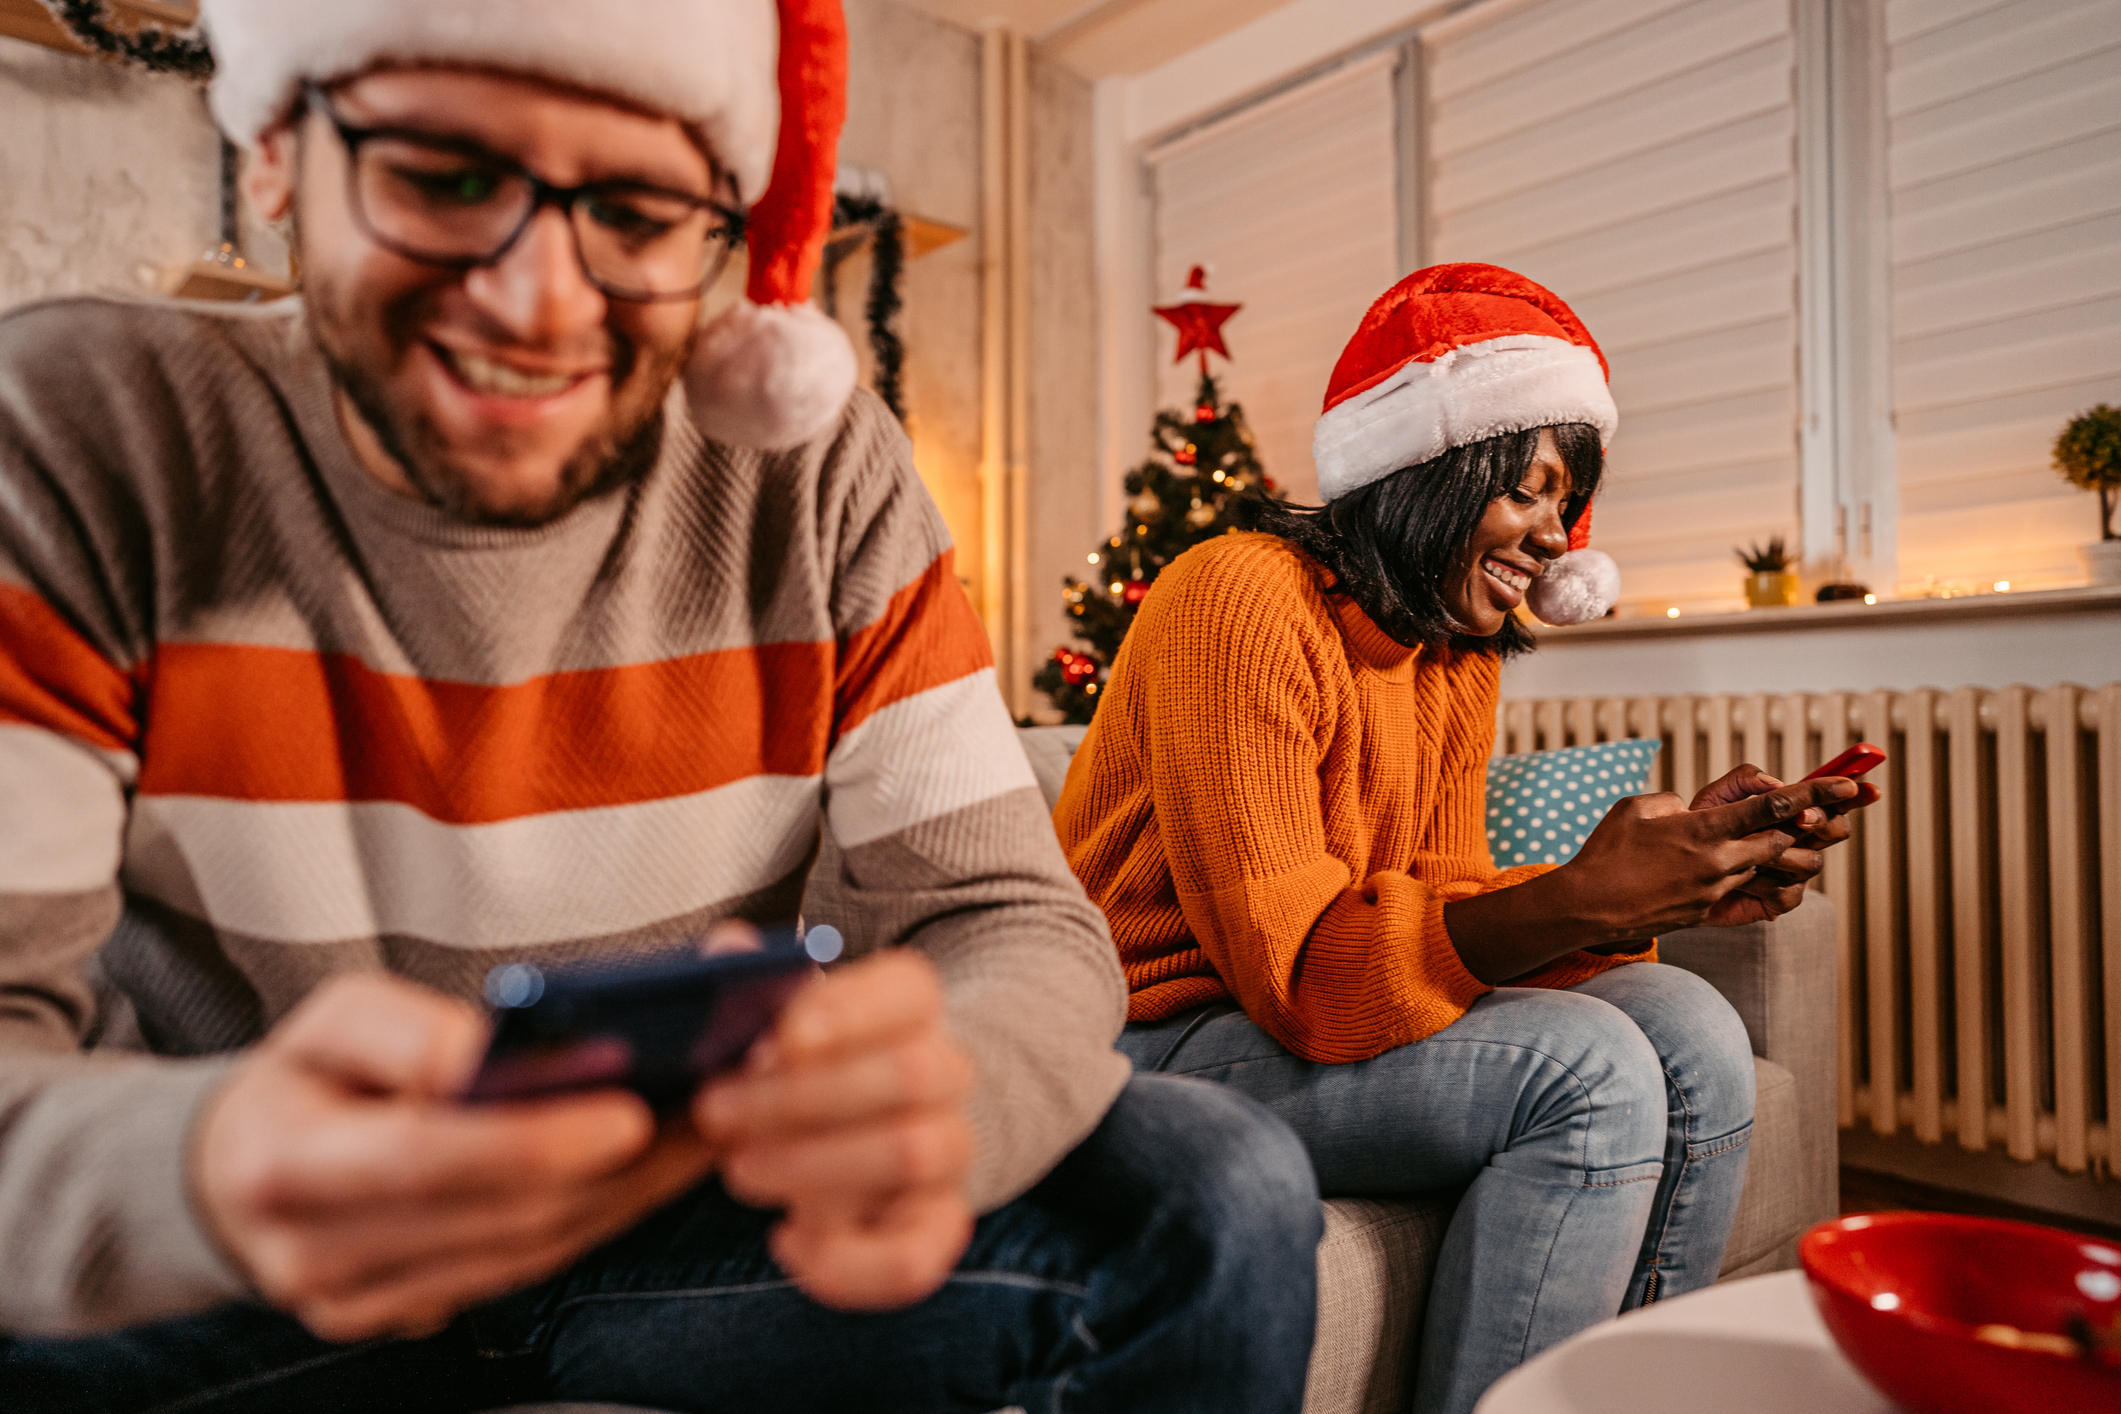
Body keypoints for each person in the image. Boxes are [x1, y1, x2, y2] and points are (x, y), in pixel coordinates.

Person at [0, 2, 1326, 1409]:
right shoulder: (85, 433)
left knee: (1213, 1188)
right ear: (275, 151)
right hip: (240, 1245)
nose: (535, 302)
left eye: (632, 215)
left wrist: (947, 1092)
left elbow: (1007, 918)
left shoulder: (815, 471)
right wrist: (202, 1165)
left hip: (683, 1203)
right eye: (444, 177)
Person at [1055, 263, 1880, 1414]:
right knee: (1584, 1074)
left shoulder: (1454, 654)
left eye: (1568, 507)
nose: (1556, 535)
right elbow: (1297, 974)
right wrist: (1589, 897)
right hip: (1145, 1037)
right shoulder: (1236, 595)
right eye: (1533, 493)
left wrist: (1652, 888)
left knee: (1692, 1025)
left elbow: (1433, 897)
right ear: (1433, 466)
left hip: (1266, 1015)